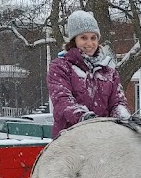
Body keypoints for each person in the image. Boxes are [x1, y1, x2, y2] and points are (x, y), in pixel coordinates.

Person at [47, 9, 131, 138]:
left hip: (104, 137)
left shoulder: (109, 71)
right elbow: (62, 100)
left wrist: (123, 116)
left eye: (93, 38)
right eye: (83, 38)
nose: (90, 43)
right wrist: (83, 117)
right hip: (71, 138)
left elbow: (117, 102)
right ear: (74, 40)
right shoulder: (60, 67)